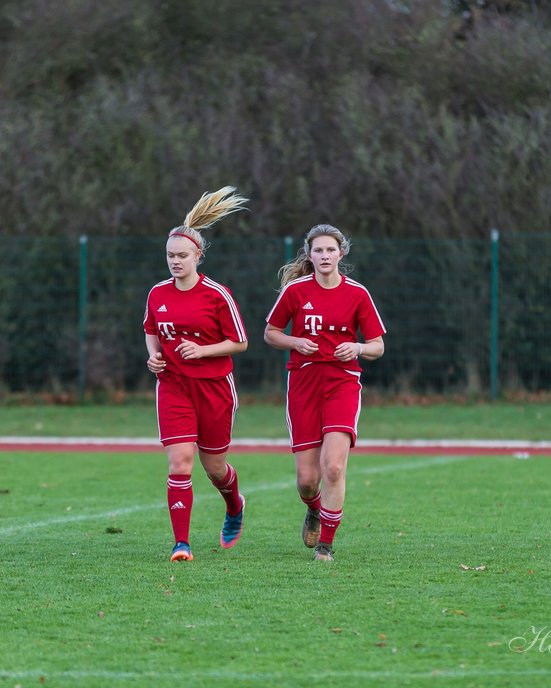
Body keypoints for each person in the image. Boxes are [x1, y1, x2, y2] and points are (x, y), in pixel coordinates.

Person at [263, 224, 386, 562]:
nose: (324, 255)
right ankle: (313, 509)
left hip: (342, 384)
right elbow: (271, 333)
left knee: (333, 467)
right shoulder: (295, 291)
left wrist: (357, 347)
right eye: (318, 250)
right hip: (303, 386)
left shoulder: (357, 293)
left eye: (330, 250)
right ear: (310, 255)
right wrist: (294, 341)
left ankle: (325, 546)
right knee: (306, 480)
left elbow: (378, 346)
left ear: (341, 253)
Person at [143, 186, 250, 562]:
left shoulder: (217, 295)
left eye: (183, 255)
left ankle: (234, 505)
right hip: (173, 387)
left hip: (214, 388)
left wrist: (203, 350)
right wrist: (154, 357)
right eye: (170, 255)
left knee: (215, 467)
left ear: (198, 256)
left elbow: (239, 342)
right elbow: (151, 330)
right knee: (179, 463)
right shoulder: (157, 293)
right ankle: (181, 543)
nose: (175, 261)